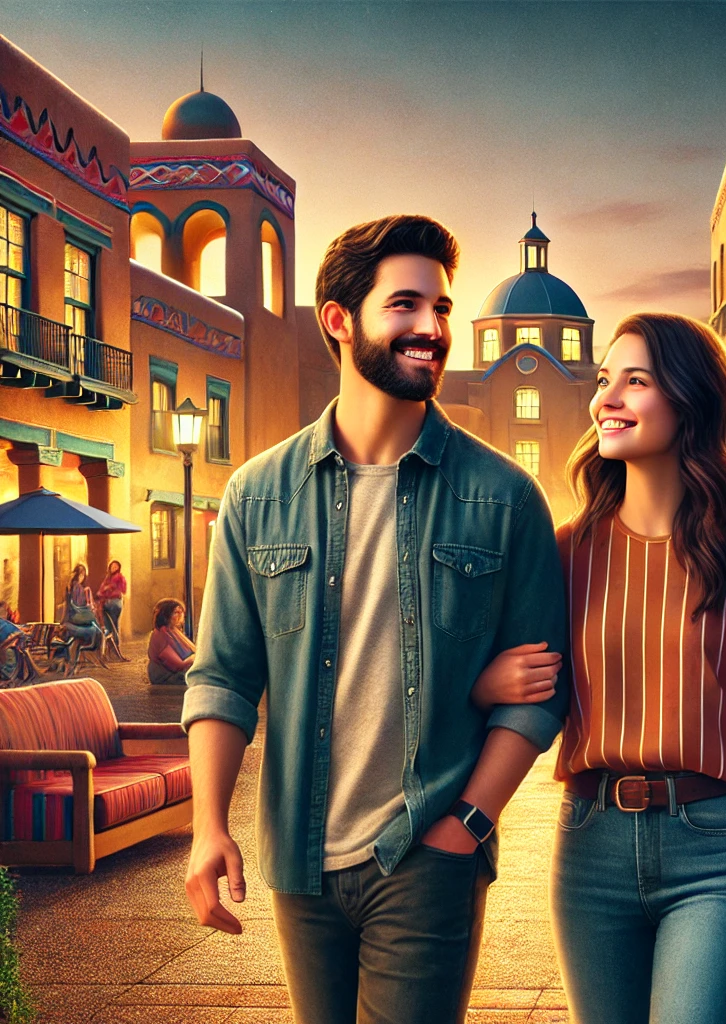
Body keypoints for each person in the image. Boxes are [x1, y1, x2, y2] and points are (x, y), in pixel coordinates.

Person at [181, 214, 568, 1024]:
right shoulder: (257, 494)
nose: (431, 328)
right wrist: (207, 826)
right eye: (404, 306)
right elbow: (222, 677)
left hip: (426, 850)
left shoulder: (502, 498)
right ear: (339, 319)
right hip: (300, 856)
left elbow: (538, 693)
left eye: (442, 308)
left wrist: (464, 826)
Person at [473, 313, 726, 1024]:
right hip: (588, 846)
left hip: (716, 851)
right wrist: (486, 683)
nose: (606, 399)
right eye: (603, 381)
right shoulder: (564, 552)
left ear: (689, 400)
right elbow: (501, 680)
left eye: (636, 381)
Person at [147, 598, 195, 685]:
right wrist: (195, 658)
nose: (180, 616)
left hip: (173, 673)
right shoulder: (161, 634)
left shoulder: (172, 630)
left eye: (181, 612)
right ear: (166, 615)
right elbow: (178, 664)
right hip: (165, 676)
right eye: (176, 612)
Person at [61, 563, 104, 651]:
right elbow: (79, 605)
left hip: (70, 617)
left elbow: (67, 605)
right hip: (77, 617)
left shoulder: (70, 586)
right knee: (96, 626)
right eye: (82, 575)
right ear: (80, 575)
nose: (83, 577)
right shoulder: (78, 587)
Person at [95, 560, 128, 651]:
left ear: (118, 568)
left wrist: (103, 591)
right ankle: (114, 647)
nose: (113, 568)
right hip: (116, 602)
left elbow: (109, 589)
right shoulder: (109, 578)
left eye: (115, 567)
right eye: (112, 566)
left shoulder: (117, 577)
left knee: (111, 625)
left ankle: (112, 646)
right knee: (113, 625)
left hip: (113, 602)